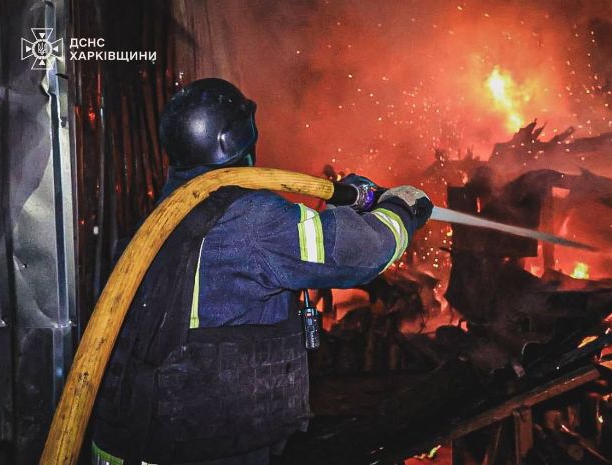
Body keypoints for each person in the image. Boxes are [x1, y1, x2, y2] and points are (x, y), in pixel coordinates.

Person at [90, 78, 432, 465]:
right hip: (201, 447)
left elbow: (289, 249)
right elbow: (359, 251)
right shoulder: (249, 220)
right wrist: (402, 210)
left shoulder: (170, 212)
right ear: (241, 139)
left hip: (141, 437)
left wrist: (343, 204)